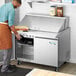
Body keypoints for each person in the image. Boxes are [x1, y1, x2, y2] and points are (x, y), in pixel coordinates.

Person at [0, 0, 22, 73]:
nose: (17, 8)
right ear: (15, 2)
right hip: (4, 28)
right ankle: (4, 69)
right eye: (18, 6)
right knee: (8, 49)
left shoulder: (4, 6)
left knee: (3, 47)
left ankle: (5, 64)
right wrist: (16, 34)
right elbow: (11, 25)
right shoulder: (11, 9)